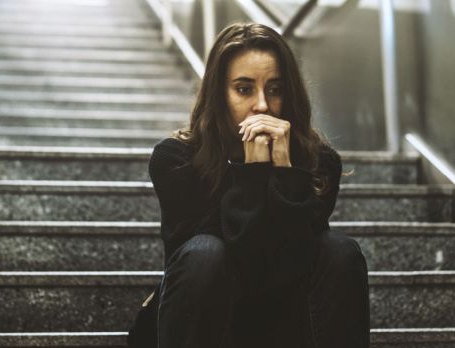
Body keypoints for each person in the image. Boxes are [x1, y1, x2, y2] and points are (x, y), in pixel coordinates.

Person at [128, 22, 370, 348]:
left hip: (285, 326)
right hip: (209, 324)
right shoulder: (176, 160)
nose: (262, 106)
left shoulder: (318, 163)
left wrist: (286, 172)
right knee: (205, 252)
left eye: (275, 89)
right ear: (219, 94)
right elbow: (224, 263)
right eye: (244, 89)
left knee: (339, 251)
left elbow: (296, 259)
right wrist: (252, 171)